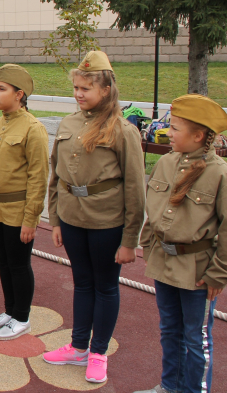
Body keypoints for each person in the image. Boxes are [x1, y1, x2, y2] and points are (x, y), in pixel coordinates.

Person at [43, 51, 145, 385]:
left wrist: (130, 240)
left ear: (106, 89)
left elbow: (134, 189)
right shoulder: (70, 123)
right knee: (82, 282)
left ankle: (98, 351)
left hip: (106, 222)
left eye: (86, 88)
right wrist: (55, 219)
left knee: (105, 286)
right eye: (76, 87)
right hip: (72, 218)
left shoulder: (122, 130)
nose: (78, 93)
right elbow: (56, 173)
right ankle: (77, 346)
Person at [133, 95, 227, 393]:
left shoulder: (219, 173)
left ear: (198, 136)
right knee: (169, 330)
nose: (167, 133)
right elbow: (155, 208)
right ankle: (169, 386)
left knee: (195, 339)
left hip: (197, 270)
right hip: (164, 260)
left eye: (174, 128)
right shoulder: (166, 162)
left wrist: (218, 273)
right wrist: (148, 246)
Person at [0, 65, 49, 341]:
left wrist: (32, 219)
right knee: (3, 262)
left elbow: (38, 178)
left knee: (19, 264)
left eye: (2, 89)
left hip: (18, 210)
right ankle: (9, 311)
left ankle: (22, 317)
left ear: (19, 95)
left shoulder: (33, 128)